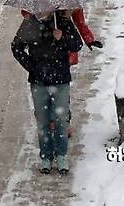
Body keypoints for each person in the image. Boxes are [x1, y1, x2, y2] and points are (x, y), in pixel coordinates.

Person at [11, 9, 82, 175]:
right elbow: (16, 47)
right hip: (39, 81)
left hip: (60, 79)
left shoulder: (62, 21)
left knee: (61, 119)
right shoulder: (31, 24)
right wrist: (31, 66)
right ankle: (46, 156)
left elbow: (76, 44)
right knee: (43, 120)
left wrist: (62, 37)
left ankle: (62, 155)